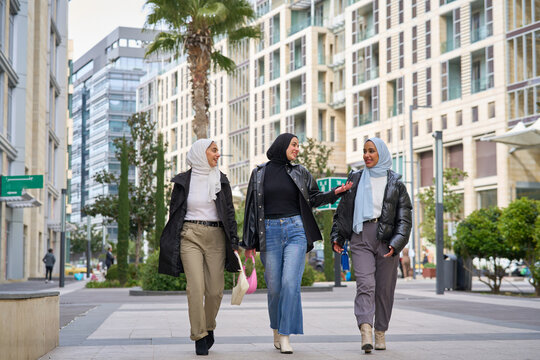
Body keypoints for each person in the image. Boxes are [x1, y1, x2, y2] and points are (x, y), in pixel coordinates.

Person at [242, 133, 352, 354]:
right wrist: (249, 242)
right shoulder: (259, 173)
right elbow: (251, 209)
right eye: (294, 145)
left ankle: (285, 335)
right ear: (282, 145)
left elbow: (313, 198)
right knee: (274, 288)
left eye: (298, 146)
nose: (297, 149)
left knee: (290, 284)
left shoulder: (300, 171)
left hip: (296, 230)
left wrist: (334, 193)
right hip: (269, 233)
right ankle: (277, 328)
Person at [158, 139, 240, 356]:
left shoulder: (221, 180)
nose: (218, 155)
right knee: (195, 287)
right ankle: (199, 335)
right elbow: (175, 212)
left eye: (218, 151)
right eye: (214, 150)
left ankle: (209, 325)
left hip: (216, 237)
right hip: (190, 235)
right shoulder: (183, 181)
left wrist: (234, 241)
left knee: (215, 291)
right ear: (199, 153)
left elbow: (229, 213)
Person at [331, 137, 412, 353]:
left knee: (384, 289)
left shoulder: (396, 183)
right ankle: (365, 329)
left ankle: (380, 331)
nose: (367, 155)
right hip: (360, 236)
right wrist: (337, 237)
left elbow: (404, 218)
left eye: (371, 151)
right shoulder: (355, 178)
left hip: (387, 239)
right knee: (365, 284)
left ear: (381, 154)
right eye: (364, 151)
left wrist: (397, 242)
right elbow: (343, 211)